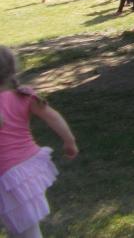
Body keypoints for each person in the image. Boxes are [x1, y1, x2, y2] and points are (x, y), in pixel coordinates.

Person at [0, 46, 78, 238]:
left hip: (9, 176)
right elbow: (53, 117)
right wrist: (69, 142)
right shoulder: (24, 96)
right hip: (26, 171)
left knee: (24, 230)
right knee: (23, 228)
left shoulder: (24, 95)